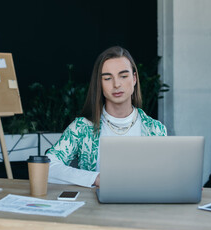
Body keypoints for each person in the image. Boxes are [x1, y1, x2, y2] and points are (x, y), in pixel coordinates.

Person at [46, 46, 167, 188]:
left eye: (123, 76)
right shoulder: (82, 128)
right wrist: (95, 178)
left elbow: (165, 177)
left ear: (134, 79)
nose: (116, 84)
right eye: (108, 78)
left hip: (143, 207)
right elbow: (46, 166)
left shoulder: (156, 129)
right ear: (100, 84)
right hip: (93, 208)